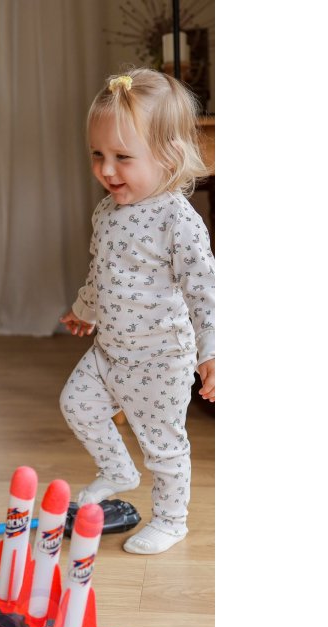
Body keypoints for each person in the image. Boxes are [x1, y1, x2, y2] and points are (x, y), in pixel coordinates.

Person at [59, 68, 214, 555]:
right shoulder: (106, 211)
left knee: (163, 446)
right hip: (110, 350)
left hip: (160, 358)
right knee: (76, 404)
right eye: (97, 154)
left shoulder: (177, 220)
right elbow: (101, 271)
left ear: (168, 155)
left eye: (122, 157)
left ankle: (171, 520)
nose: (106, 170)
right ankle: (116, 470)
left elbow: (205, 291)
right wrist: (85, 310)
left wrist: (213, 352)